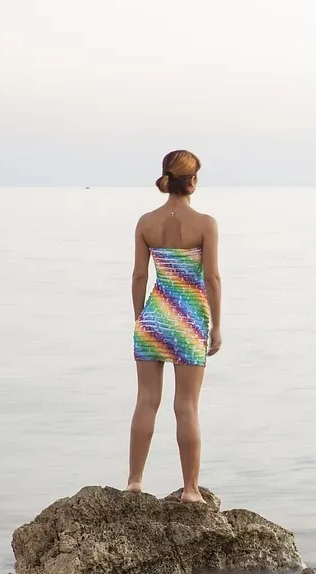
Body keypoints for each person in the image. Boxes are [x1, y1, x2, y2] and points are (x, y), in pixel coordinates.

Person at [126, 150, 222, 503]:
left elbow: (139, 275)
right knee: (186, 407)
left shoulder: (145, 222)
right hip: (189, 323)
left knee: (146, 401)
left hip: (154, 317)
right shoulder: (205, 224)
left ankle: (135, 481)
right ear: (192, 181)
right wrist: (216, 327)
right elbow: (211, 278)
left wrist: (141, 317)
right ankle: (191, 490)